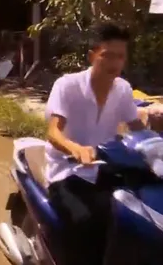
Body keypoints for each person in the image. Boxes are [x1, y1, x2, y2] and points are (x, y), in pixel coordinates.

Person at [44, 22, 146, 265]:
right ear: (92, 56)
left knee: (137, 214)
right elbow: (53, 132)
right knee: (86, 221)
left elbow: (138, 128)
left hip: (105, 168)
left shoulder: (123, 90)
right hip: (66, 171)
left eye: (120, 57)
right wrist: (76, 148)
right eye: (107, 56)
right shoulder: (66, 85)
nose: (114, 64)